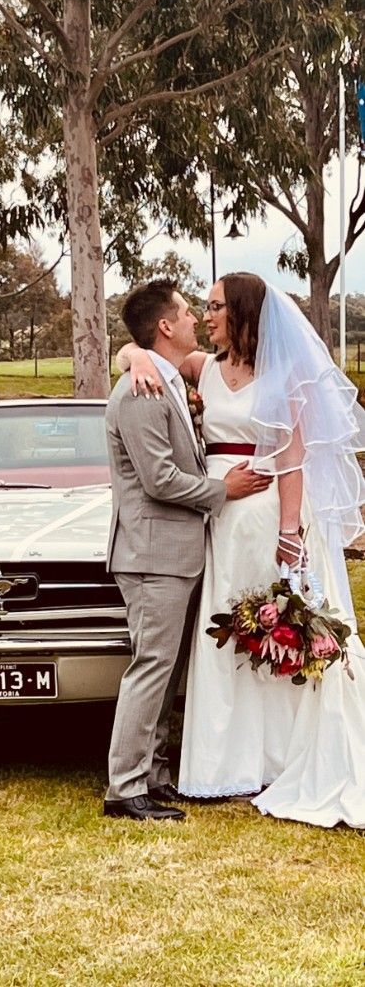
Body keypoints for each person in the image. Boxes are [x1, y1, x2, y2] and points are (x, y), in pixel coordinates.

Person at [122, 272, 365, 829]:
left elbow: (295, 457)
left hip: (262, 510)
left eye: (215, 307)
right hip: (215, 514)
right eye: (201, 308)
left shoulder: (285, 372)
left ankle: (277, 758)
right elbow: (138, 347)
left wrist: (289, 532)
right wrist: (134, 358)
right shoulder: (203, 367)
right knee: (222, 628)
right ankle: (221, 763)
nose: (205, 317)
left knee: (272, 623)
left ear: (244, 313)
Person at [104, 278, 272, 821]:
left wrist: (131, 353)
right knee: (151, 667)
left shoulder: (170, 379)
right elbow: (158, 479)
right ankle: (124, 788)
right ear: (165, 326)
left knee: (169, 670)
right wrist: (224, 491)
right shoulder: (139, 389)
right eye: (186, 311)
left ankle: (153, 776)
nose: (197, 318)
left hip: (176, 553)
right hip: (152, 555)